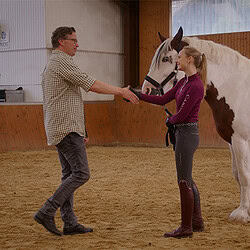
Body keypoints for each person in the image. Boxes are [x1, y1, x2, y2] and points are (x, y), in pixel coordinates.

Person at [33, 26, 139, 236]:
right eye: (74, 40)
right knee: (81, 173)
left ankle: (69, 222)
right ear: (61, 42)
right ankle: (47, 210)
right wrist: (121, 91)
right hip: (66, 128)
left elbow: (68, 98)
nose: (77, 44)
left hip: (63, 127)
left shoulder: (54, 64)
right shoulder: (61, 63)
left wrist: (83, 128)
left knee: (69, 175)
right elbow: (90, 84)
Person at [129, 46, 207, 238]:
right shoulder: (183, 83)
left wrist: (169, 121)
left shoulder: (196, 85)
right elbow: (163, 98)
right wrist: (139, 94)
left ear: (189, 60)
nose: (177, 60)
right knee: (187, 179)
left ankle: (186, 227)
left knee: (183, 182)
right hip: (183, 133)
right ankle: (196, 222)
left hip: (187, 133)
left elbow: (182, 115)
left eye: (179, 57)